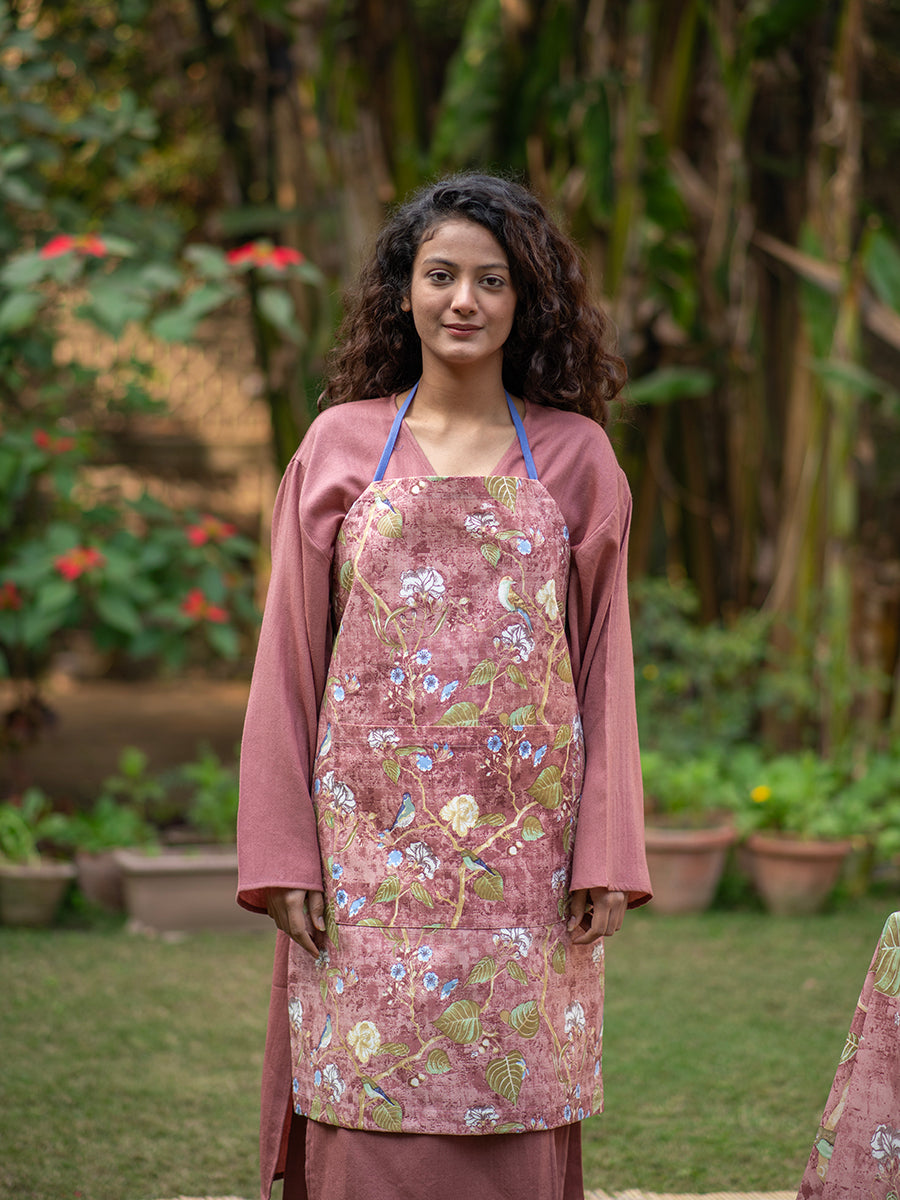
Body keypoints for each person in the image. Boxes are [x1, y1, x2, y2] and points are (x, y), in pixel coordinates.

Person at [237, 172, 652, 1200]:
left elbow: (605, 664)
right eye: (440, 275)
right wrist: (285, 850)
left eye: (491, 280)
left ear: (525, 300)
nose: (464, 300)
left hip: (527, 857)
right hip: (367, 853)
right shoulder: (338, 444)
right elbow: (288, 661)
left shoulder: (578, 457)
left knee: (516, 1089)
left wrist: (605, 850)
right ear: (404, 291)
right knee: (367, 1090)